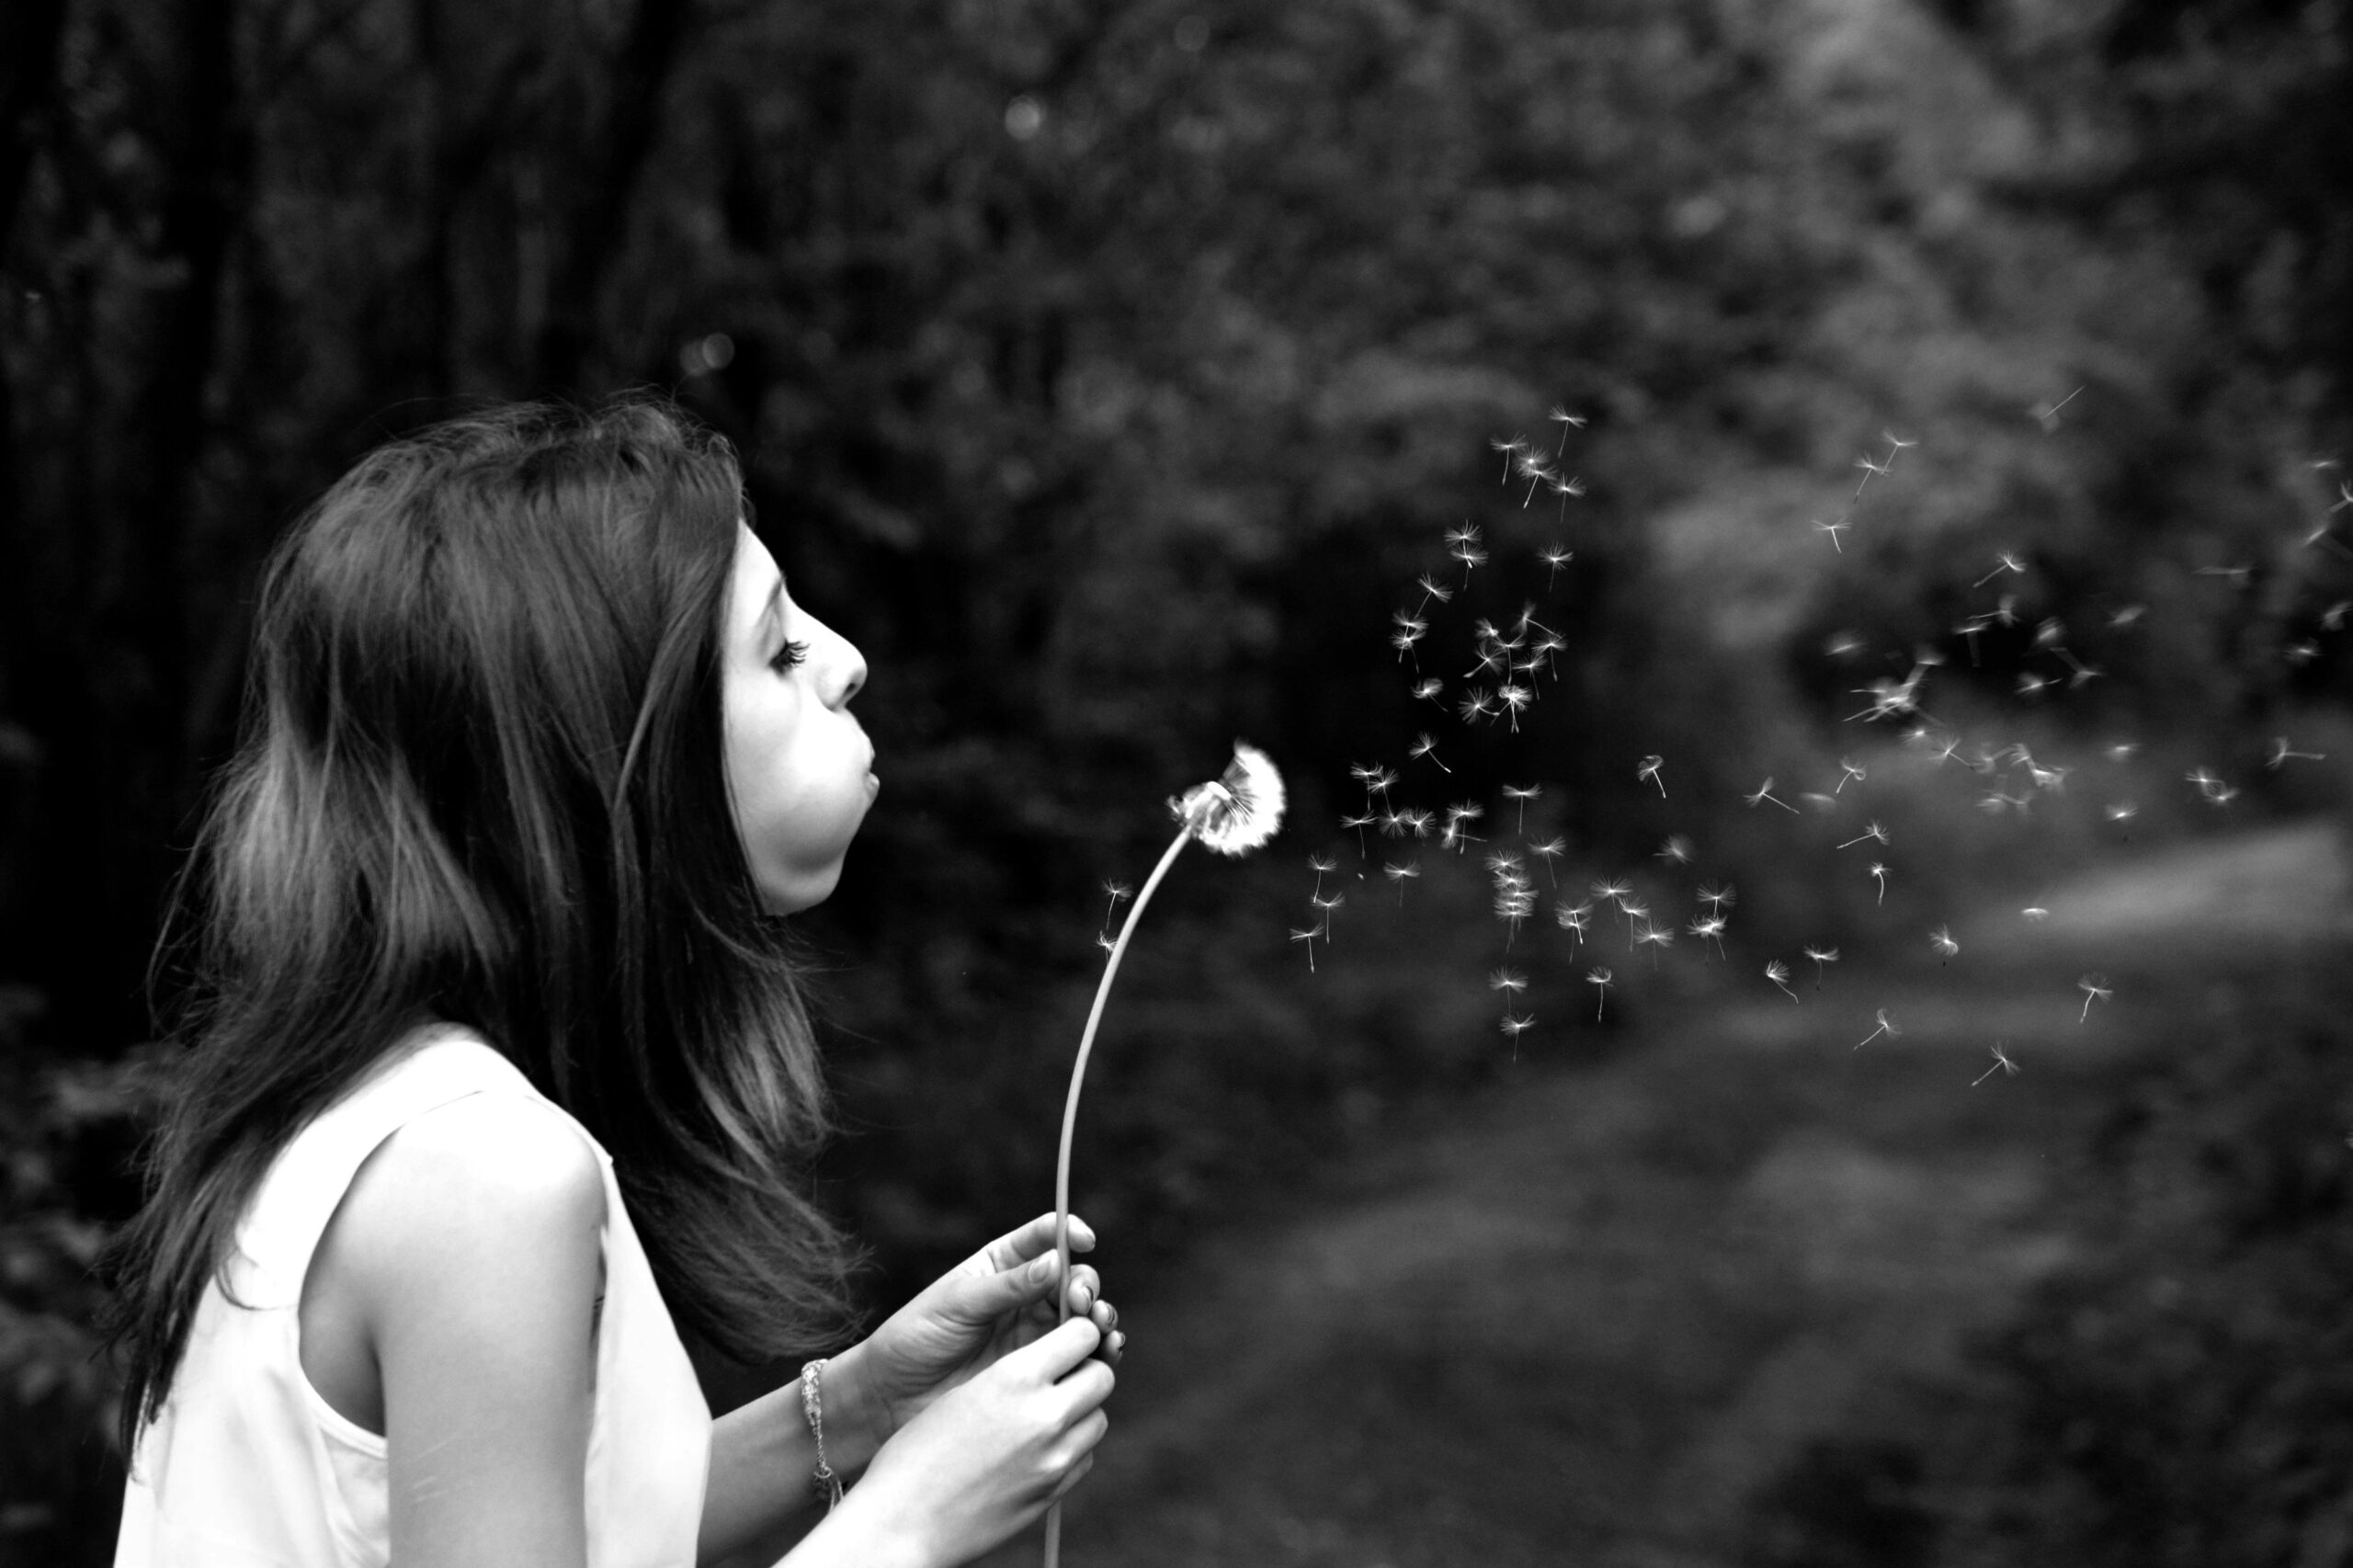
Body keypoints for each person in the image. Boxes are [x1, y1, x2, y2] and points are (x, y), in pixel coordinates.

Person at [96, 398, 1122, 1568]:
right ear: (605, 759)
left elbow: (566, 1530)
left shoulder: (378, 1111)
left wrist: (859, 1403)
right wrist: (906, 1527)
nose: (846, 661)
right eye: (777, 650)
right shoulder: (486, 1180)